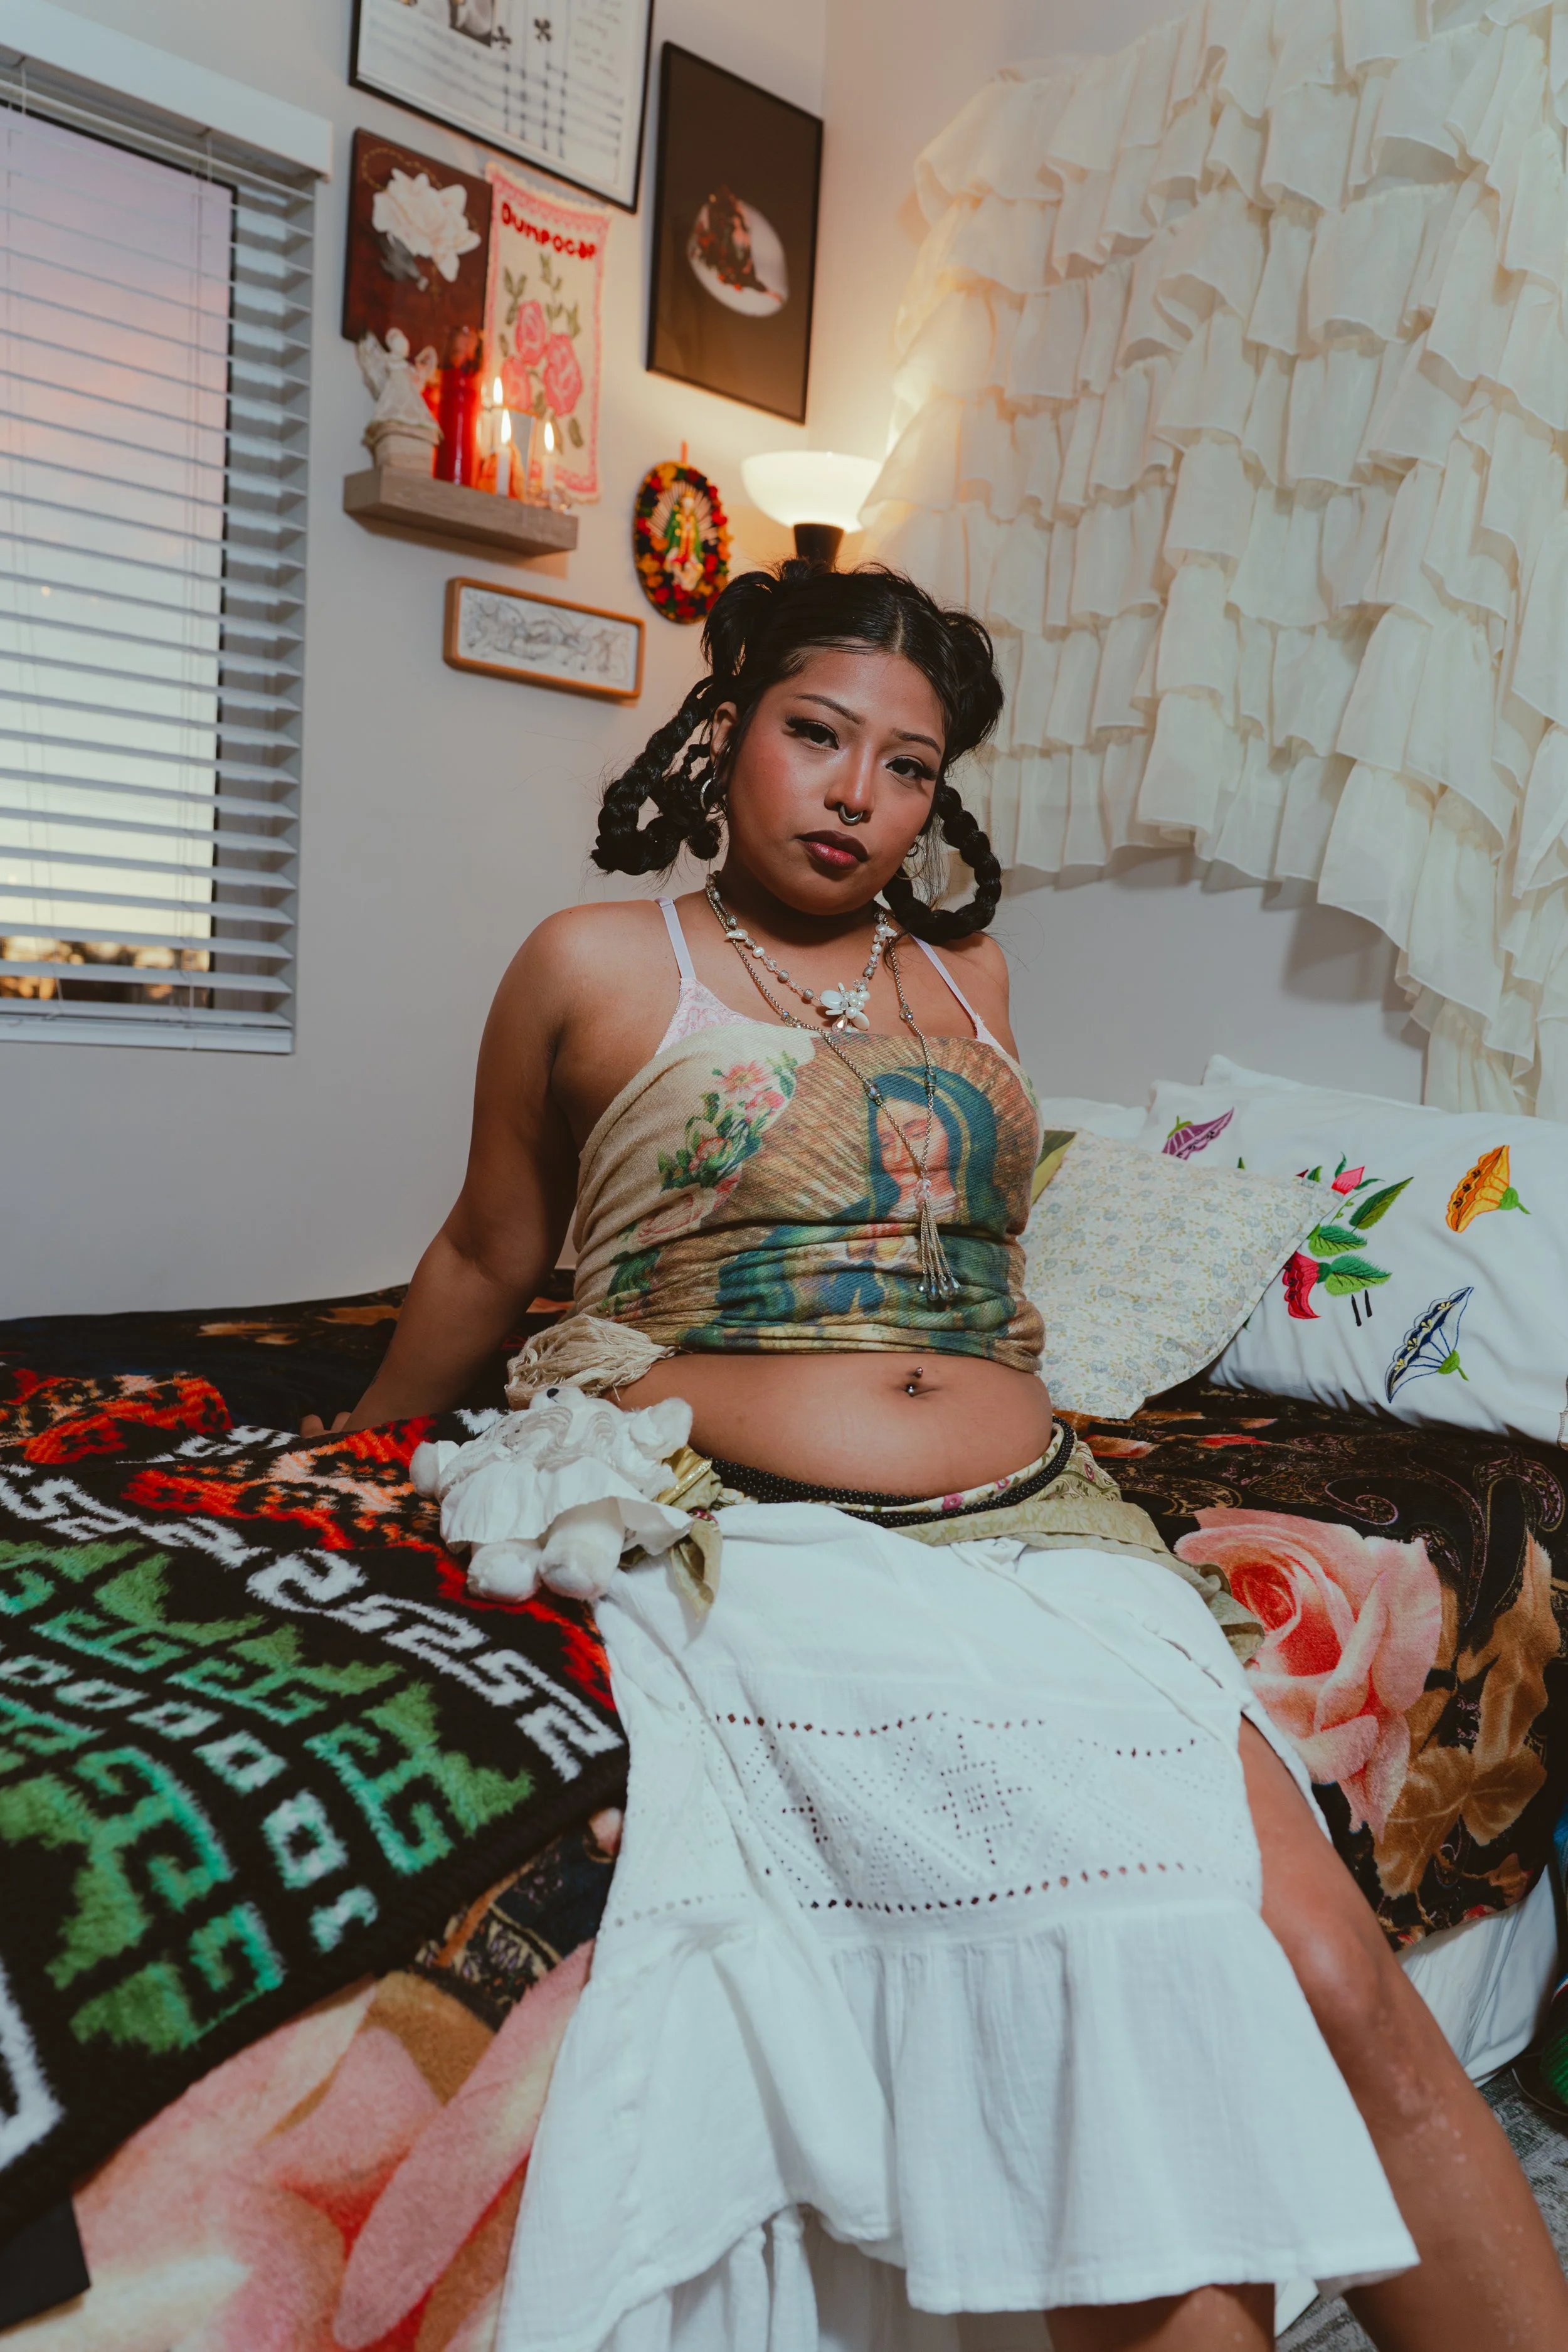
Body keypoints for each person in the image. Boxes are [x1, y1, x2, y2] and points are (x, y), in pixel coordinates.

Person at [317, 564, 1568, 2351]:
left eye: (907, 766)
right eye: (816, 734)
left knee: (1330, 1965)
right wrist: (356, 1454)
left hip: (1046, 1524)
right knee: (1109, 2003)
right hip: (746, 1526)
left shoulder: (972, 976)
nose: (856, 793)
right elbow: (481, 1250)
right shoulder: (592, 961)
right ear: (725, 728)